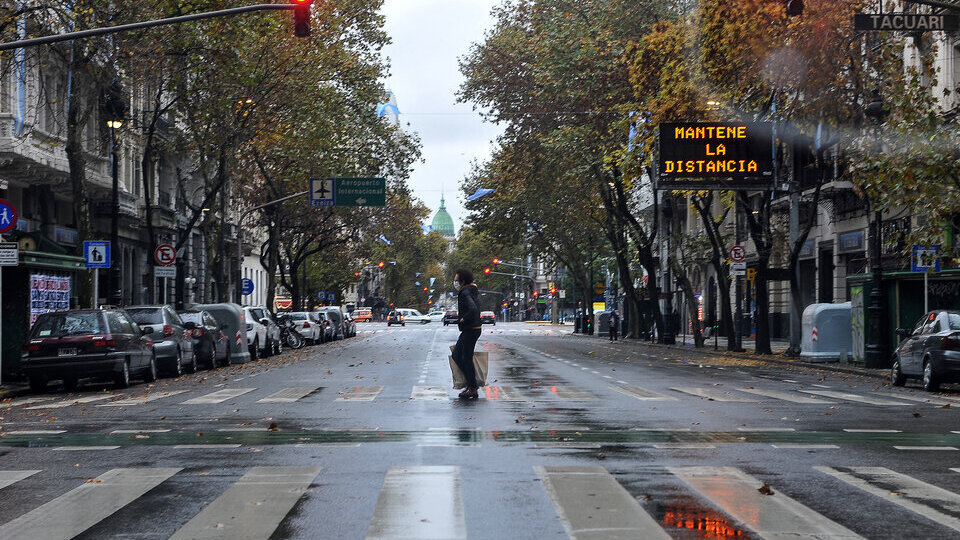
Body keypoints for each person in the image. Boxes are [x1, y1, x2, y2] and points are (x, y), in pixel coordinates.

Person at [452, 268, 482, 399]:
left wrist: (464, 318)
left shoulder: (465, 292)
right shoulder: (470, 290)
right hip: (472, 329)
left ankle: (472, 387)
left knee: (464, 357)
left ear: (463, 281)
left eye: (456, 280)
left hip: (470, 329)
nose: (455, 283)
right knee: (458, 355)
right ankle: (471, 384)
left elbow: (473, 309)